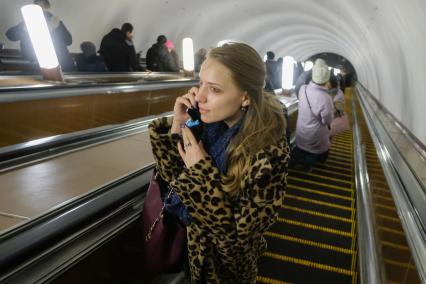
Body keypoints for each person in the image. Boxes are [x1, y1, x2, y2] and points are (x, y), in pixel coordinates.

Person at [148, 42, 289, 283]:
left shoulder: (267, 155)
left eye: (214, 89)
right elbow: (174, 180)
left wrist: (202, 175)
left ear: (245, 97)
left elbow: (236, 248)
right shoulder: (204, 126)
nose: (199, 96)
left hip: (224, 273)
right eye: (201, 82)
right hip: (190, 250)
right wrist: (178, 127)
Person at [6, 0, 75, 71]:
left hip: (60, 64)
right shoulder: (28, 22)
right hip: (35, 65)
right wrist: (25, 28)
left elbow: (69, 40)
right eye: (36, 7)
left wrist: (54, 29)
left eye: (41, 8)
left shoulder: (56, 23)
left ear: (47, 8)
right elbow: (10, 35)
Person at [291, 58, 333, 172]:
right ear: (326, 79)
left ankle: (290, 165)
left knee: (299, 148)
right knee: (311, 153)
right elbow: (327, 120)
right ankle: (306, 168)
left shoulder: (303, 89)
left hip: (301, 128)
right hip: (315, 134)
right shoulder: (326, 98)